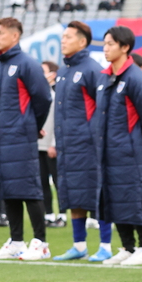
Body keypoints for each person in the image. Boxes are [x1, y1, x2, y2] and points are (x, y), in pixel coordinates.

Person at [0, 18, 54, 261]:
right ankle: (16, 241)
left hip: (20, 137)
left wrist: (32, 126)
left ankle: (41, 243)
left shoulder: (27, 63)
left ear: (14, 36)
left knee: (29, 188)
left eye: (0, 32)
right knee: (8, 188)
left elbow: (43, 98)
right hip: (0, 139)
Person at [95, 26, 142, 267]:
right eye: (104, 44)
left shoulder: (136, 78)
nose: (106, 48)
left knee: (137, 197)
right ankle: (128, 247)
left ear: (125, 47)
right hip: (109, 152)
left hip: (132, 152)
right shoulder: (104, 77)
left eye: (110, 44)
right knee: (114, 198)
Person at [50, 22, 112, 262]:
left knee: (97, 194)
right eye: (63, 36)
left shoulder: (93, 69)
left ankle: (105, 245)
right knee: (73, 194)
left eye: (68, 37)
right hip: (68, 146)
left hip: (89, 146)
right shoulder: (63, 72)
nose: (63, 40)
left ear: (82, 41)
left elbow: (102, 108)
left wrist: (95, 138)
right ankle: (79, 245)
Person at [39, 62, 61, 228]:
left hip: (52, 146)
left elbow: (57, 122)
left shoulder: (56, 95)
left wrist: (54, 143)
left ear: (52, 74)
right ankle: (48, 214)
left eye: (44, 71)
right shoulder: (39, 93)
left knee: (57, 181)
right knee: (42, 182)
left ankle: (62, 215)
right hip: (39, 145)